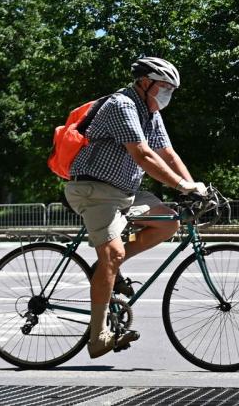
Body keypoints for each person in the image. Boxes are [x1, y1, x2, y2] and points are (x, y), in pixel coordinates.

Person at [64, 57, 208, 358]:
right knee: (114, 254)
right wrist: (181, 187)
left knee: (169, 222)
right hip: (93, 190)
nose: (168, 93)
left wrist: (196, 187)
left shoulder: (149, 111)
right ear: (145, 83)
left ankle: (105, 269)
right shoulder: (123, 105)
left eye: (171, 89)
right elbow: (142, 155)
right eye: (164, 86)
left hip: (126, 193)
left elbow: (166, 153)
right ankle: (98, 336)